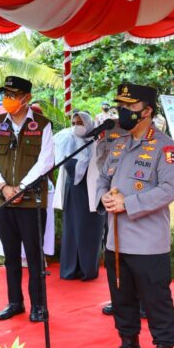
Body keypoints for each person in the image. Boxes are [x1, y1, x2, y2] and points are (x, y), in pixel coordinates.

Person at [95, 82, 174, 348]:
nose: (123, 112)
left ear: (147, 111)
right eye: (121, 106)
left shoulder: (165, 146)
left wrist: (128, 203)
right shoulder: (118, 143)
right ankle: (129, 346)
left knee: (157, 301)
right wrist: (104, 197)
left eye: (129, 108)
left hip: (148, 243)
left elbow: (168, 190)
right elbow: (103, 178)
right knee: (122, 297)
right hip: (116, 239)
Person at [0, 76, 55, 323]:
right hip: (1, 198)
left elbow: (45, 161)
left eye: (13, 95)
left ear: (26, 98)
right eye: (6, 95)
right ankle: (15, 302)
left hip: (31, 199)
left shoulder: (43, 125)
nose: (8, 100)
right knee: (11, 255)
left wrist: (22, 187)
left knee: (35, 257)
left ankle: (39, 305)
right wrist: (3, 187)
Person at [54, 111, 105, 280]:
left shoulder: (98, 143)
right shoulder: (66, 140)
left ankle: (87, 269)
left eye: (81, 123)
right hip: (72, 192)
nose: (77, 126)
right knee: (71, 230)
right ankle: (70, 269)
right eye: (74, 122)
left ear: (89, 124)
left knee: (88, 231)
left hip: (90, 193)